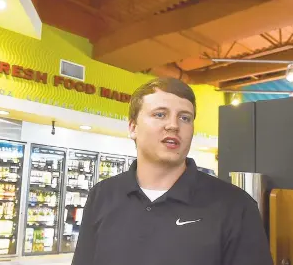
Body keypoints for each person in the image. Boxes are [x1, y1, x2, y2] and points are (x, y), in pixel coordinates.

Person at [72, 77, 273, 265]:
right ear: (133, 127)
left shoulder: (236, 206)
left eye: (185, 118)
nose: (173, 125)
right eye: (160, 114)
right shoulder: (102, 195)